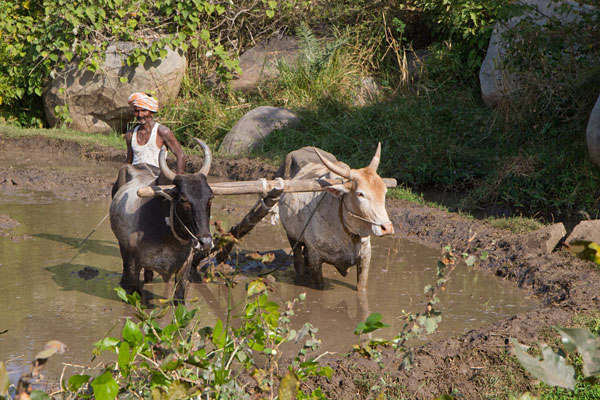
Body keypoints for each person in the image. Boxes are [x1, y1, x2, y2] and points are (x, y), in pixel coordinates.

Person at [112, 92, 186, 197]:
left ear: (151, 112)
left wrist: (179, 181)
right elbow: (129, 161)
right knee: (118, 190)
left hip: (155, 176)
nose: (140, 115)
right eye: (137, 111)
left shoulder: (162, 131)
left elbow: (181, 155)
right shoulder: (130, 134)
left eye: (143, 111)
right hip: (136, 176)